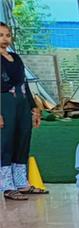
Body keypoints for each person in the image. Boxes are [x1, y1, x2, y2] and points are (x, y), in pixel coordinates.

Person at [0, 22, 44, 200]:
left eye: (7, 35)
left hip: (22, 103)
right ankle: (7, 186)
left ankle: (21, 183)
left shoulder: (15, 58)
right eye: (0, 35)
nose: (5, 39)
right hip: (5, 104)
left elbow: (24, 83)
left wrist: (34, 107)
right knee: (5, 143)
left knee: (22, 141)